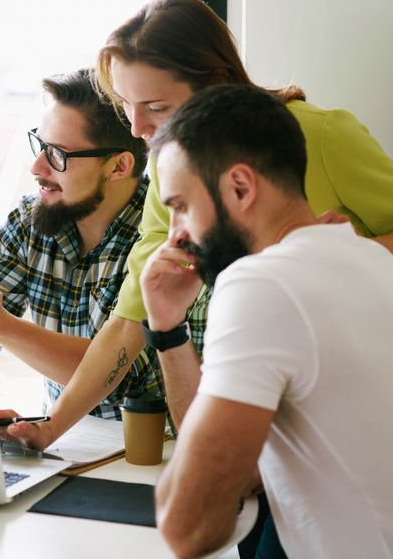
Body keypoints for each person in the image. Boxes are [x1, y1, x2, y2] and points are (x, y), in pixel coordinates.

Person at [147, 84, 393, 558]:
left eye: (179, 205)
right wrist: (167, 326)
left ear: (240, 187)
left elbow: (189, 526)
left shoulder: (260, 285)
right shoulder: (372, 261)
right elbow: (250, 472)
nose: (176, 233)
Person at [0, 69, 160, 417]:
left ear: (119, 166)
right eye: (40, 145)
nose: (37, 167)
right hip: (64, 442)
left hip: (153, 450)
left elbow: (124, 377)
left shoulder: (161, 233)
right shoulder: (31, 221)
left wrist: (1, 326)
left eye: (58, 154)